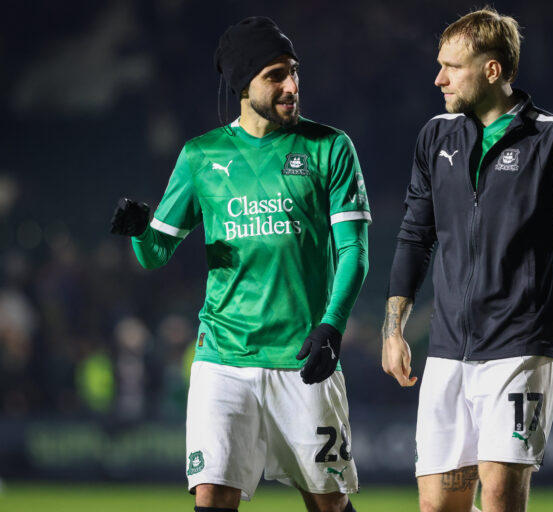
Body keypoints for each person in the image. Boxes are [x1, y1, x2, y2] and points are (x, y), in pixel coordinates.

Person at [111, 17, 369, 512]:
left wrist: (332, 326)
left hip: (304, 359)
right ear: (243, 84)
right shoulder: (200, 156)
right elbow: (155, 254)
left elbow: (354, 250)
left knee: (328, 504)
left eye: (294, 71)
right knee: (211, 497)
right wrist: (140, 230)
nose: (291, 85)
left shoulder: (330, 147)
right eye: (276, 75)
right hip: (222, 359)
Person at [381, 8, 553, 512]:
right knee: (436, 506)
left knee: (500, 496)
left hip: (520, 348)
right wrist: (393, 329)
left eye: (452, 67)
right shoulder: (436, 136)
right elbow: (414, 236)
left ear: (492, 70)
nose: (438, 78)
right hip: (446, 351)